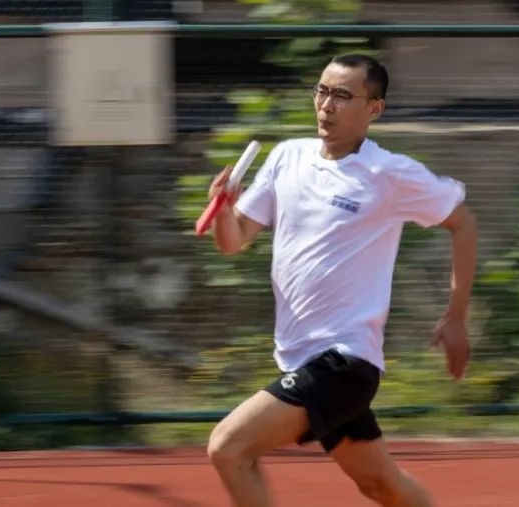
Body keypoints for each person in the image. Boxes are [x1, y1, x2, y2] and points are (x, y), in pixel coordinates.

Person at [205, 53, 478, 507]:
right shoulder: (286, 157)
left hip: (344, 363)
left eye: (343, 96)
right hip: (301, 359)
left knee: (228, 447)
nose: (327, 105)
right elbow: (234, 240)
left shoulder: (389, 173)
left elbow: (462, 223)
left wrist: (456, 316)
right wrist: (222, 208)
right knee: (382, 486)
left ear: (374, 108)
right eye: (322, 91)